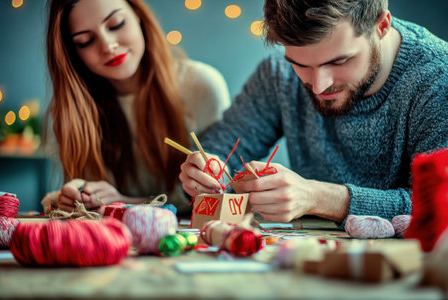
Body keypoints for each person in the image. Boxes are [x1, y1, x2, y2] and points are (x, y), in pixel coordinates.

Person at [179, 0, 448, 225]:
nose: (319, 85)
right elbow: (221, 152)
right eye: (301, 65)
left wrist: (317, 197)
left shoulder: (437, 78)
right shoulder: (279, 74)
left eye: (339, 61)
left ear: (382, 26)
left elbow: (438, 204)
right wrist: (206, 175)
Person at [41, 0, 230, 216]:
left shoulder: (202, 86)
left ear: (138, 15)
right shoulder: (70, 112)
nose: (108, 45)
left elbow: (216, 197)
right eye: (86, 41)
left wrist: (126, 202)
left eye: (116, 24)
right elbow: (87, 207)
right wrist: (77, 196)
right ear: (72, 52)